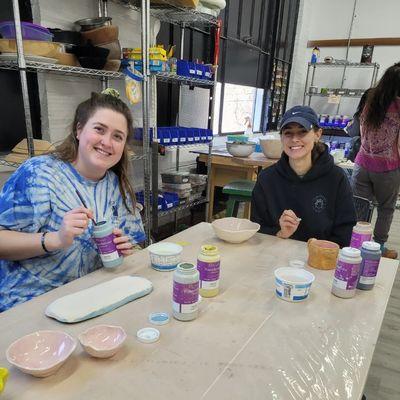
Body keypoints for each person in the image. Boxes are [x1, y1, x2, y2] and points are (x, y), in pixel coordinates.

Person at [0, 91, 145, 312]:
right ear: (79, 130)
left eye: (118, 136)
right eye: (99, 129)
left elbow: (134, 246)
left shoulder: (116, 185)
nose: (107, 142)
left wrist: (123, 248)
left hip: (88, 298)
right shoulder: (39, 173)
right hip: (28, 304)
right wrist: (55, 239)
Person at [251, 105, 356, 247]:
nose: (295, 139)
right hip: (275, 255)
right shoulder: (267, 179)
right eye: (288, 133)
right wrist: (281, 233)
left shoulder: (336, 178)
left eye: (302, 132)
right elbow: (257, 228)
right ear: (281, 137)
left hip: (321, 260)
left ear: (317, 134)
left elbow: (346, 232)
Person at [352, 62, 400, 259]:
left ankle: (356, 245)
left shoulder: (369, 98)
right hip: (387, 168)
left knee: (359, 207)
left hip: (362, 163)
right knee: (386, 208)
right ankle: (378, 249)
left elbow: (357, 128)